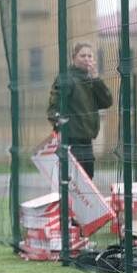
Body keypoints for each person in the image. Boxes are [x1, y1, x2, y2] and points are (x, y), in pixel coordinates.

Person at [47, 42, 112, 179]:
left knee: (87, 182)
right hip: (71, 142)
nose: (87, 58)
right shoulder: (67, 78)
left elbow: (107, 102)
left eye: (90, 56)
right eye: (83, 55)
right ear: (74, 58)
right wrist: (61, 124)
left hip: (87, 141)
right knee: (73, 184)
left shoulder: (90, 80)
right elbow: (53, 108)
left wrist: (96, 79)